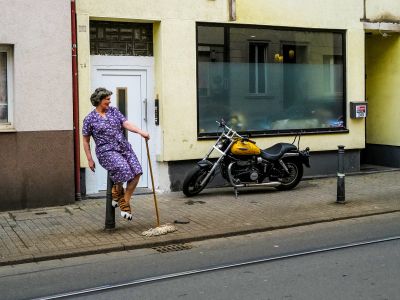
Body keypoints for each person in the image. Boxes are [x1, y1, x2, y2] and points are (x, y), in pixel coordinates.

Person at [82, 87, 150, 220]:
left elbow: (126, 124)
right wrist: (89, 159)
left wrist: (141, 132)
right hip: (106, 151)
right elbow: (85, 141)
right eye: (107, 99)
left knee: (137, 172)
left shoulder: (114, 111)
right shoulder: (89, 119)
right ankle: (117, 190)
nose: (109, 101)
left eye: (109, 99)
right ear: (99, 100)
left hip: (123, 147)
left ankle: (124, 200)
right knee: (123, 168)